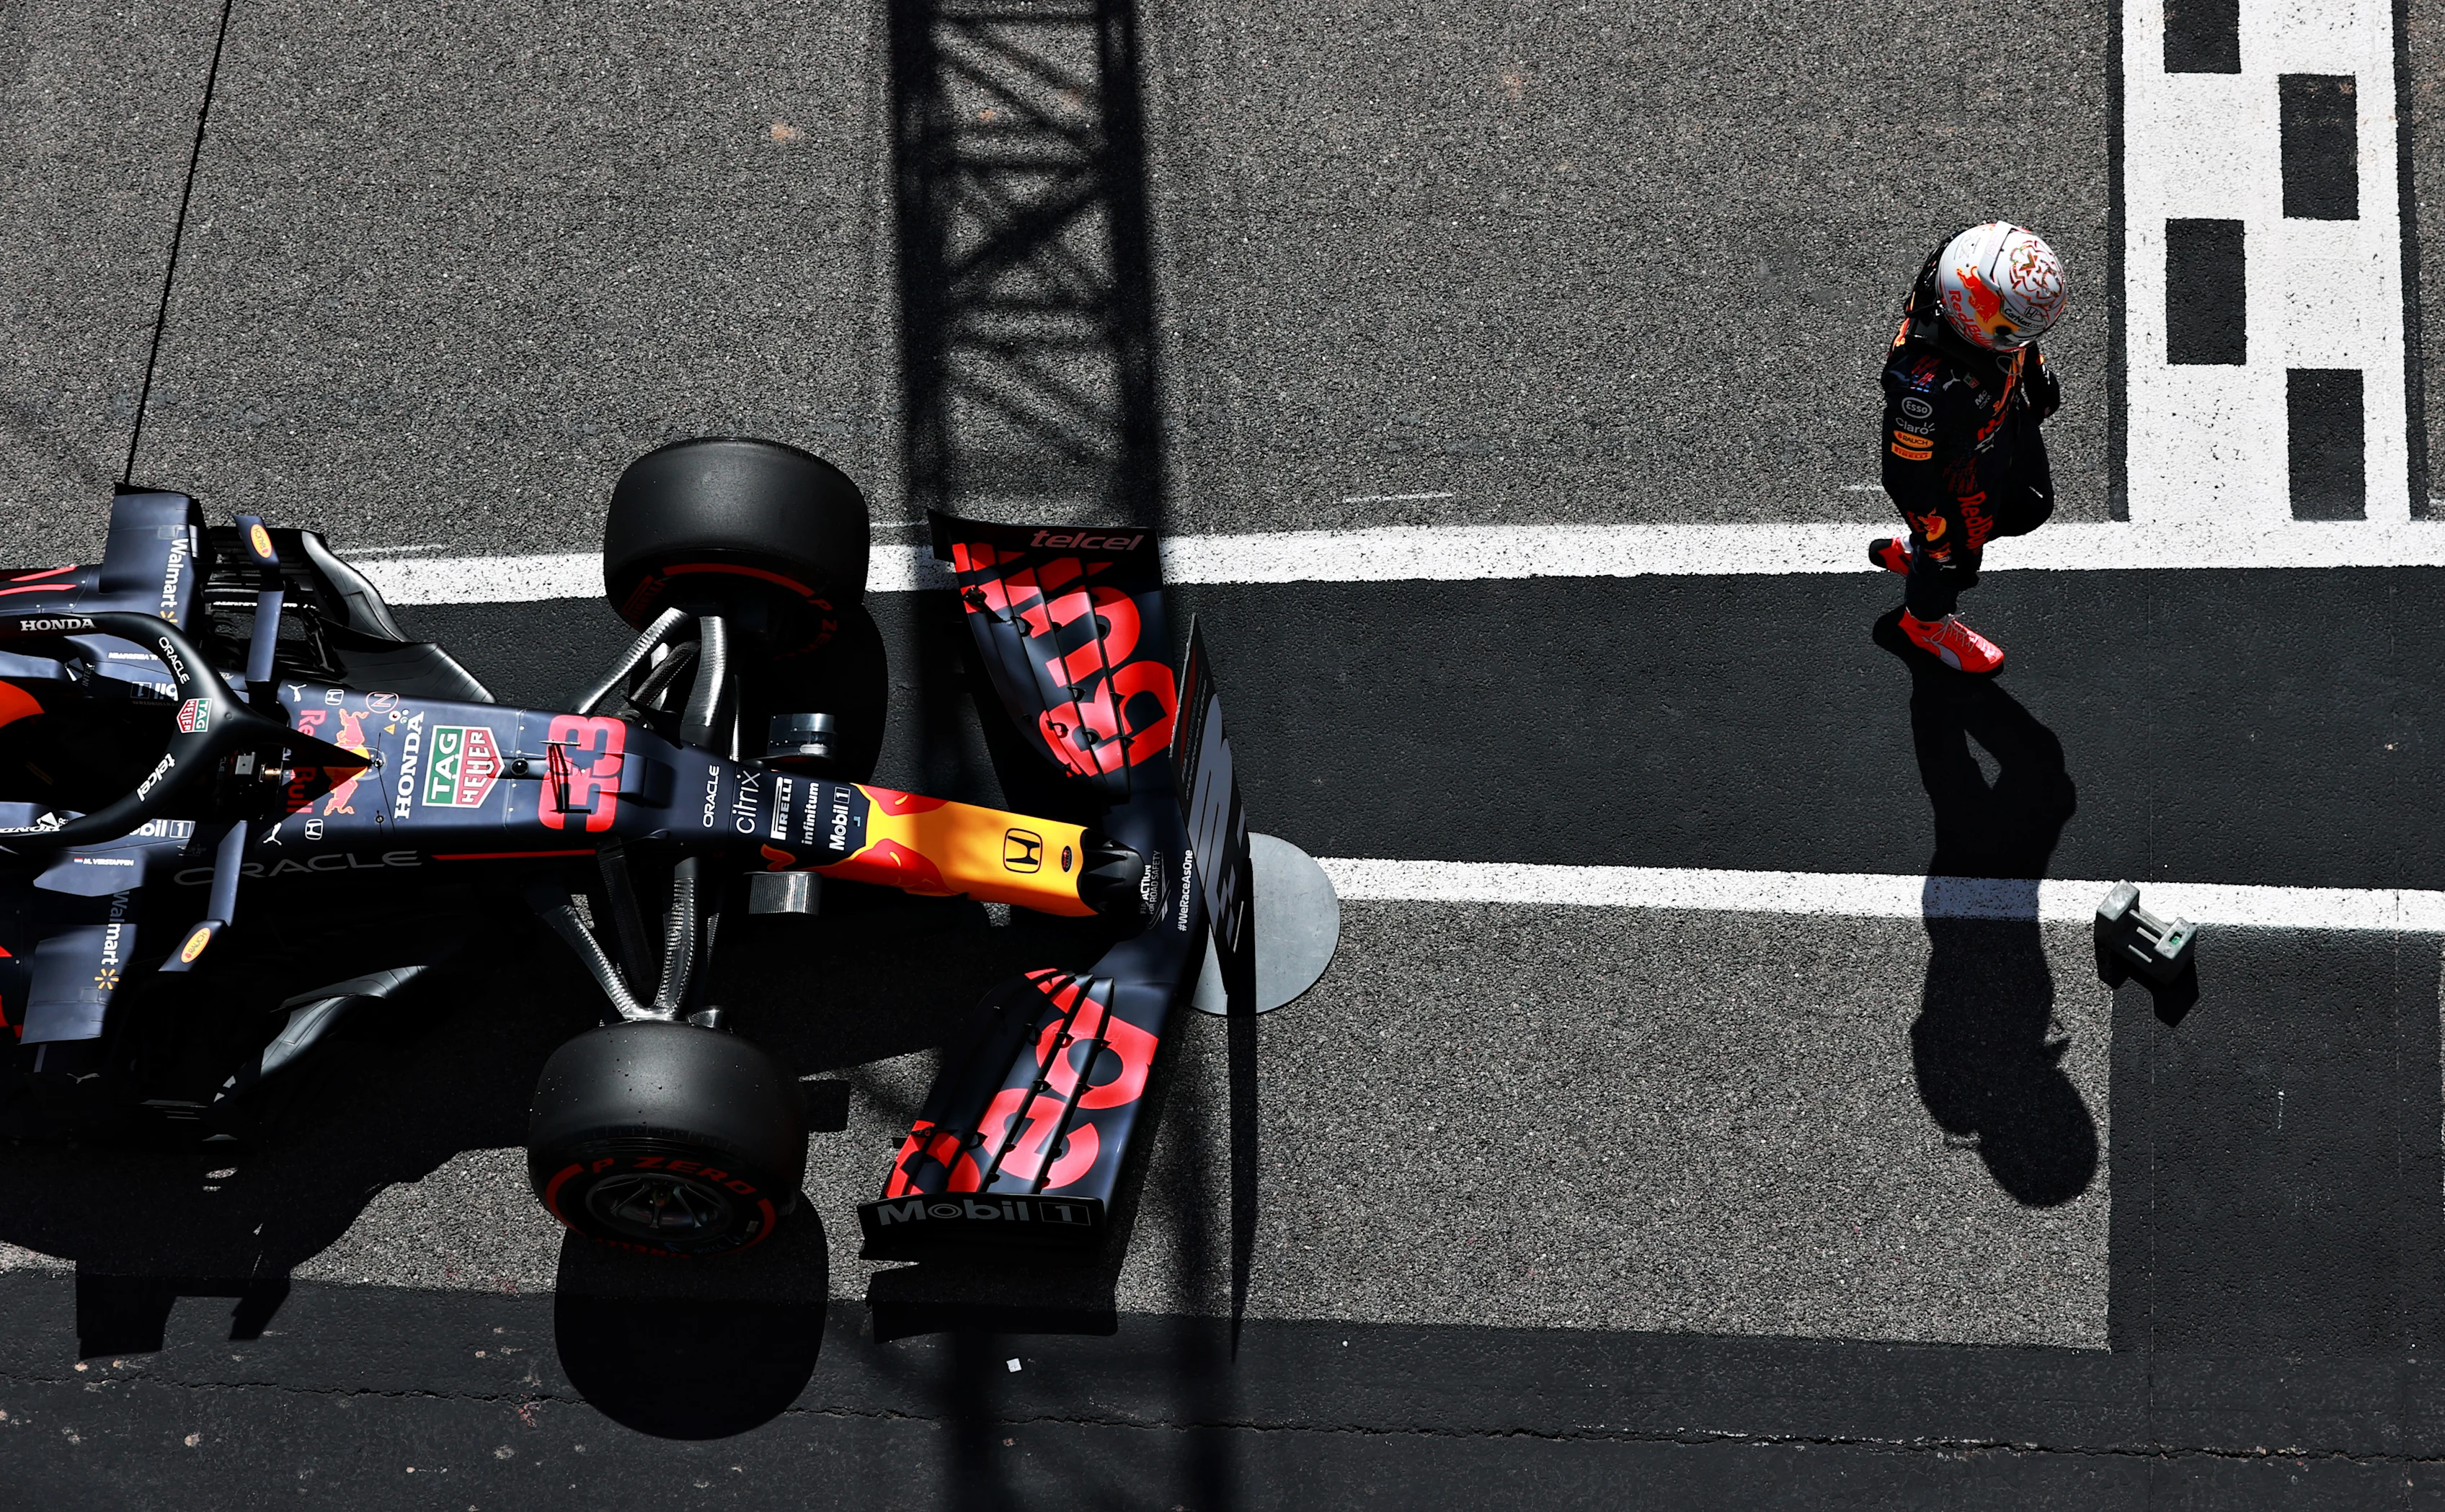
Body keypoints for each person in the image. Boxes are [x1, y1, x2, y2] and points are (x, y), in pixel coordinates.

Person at [1873, 222, 2067, 672]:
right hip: (1959, 481)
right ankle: (1924, 623)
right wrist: (1936, 536)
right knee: (1954, 565)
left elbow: (2018, 334)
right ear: (1972, 312)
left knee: (2030, 507)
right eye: (2013, 331)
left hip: (2001, 431)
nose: (2023, 339)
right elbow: (1905, 476)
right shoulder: (1922, 388)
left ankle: (1914, 553)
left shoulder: (1973, 269)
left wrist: (2034, 370)